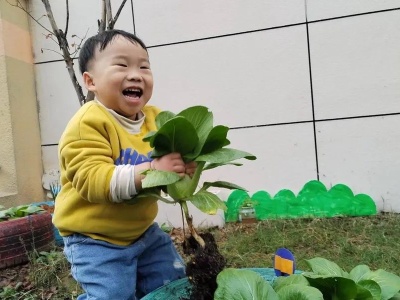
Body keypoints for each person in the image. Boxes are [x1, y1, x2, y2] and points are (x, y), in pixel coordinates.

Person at [53, 29, 196, 300]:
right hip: (94, 238)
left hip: (143, 233)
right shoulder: (88, 123)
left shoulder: (157, 119)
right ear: (90, 81)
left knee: (171, 283)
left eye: (144, 66)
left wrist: (180, 170)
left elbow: (167, 171)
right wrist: (154, 170)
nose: (135, 74)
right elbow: (94, 181)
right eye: (121, 65)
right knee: (112, 295)